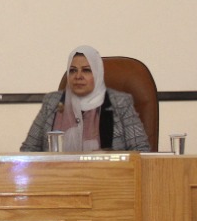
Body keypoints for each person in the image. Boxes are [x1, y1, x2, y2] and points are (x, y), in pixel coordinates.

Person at [21, 45, 151, 152]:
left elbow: (141, 150)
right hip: (58, 174)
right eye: (73, 70)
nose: (78, 76)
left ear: (98, 74)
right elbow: (28, 150)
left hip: (108, 174)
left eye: (86, 70)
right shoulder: (52, 102)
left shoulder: (120, 103)